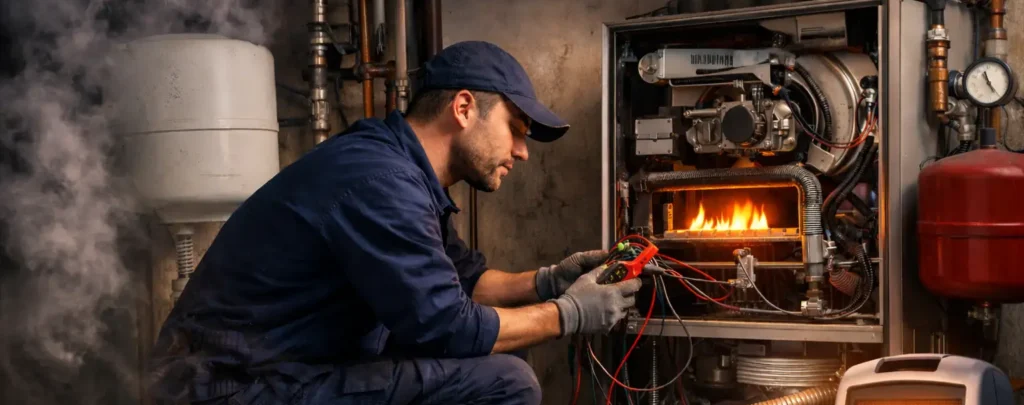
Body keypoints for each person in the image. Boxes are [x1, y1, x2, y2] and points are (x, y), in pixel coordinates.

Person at [146, 41, 642, 405]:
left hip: (282, 370)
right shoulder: (378, 180)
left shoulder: (402, 170)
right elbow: (448, 327)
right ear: (464, 108)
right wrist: (569, 314)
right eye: (515, 129)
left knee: (498, 356)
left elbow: (464, 284)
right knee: (508, 382)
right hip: (230, 387)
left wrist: (550, 281)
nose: (521, 151)